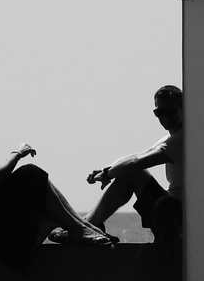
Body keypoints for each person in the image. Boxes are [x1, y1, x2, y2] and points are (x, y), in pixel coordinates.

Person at [0, 84, 113, 270]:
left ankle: (82, 225)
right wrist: (16, 154)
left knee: (38, 180)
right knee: (30, 173)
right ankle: (77, 229)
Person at [58, 85, 184, 243]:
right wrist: (107, 170)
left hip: (180, 219)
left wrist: (107, 174)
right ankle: (87, 224)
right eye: (159, 112)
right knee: (130, 171)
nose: (165, 116)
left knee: (134, 173)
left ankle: (86, 226)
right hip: (172, 212)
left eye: (170, 111)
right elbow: (135, 157)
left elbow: (135, 163)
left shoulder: (184, 139)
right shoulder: (169, 140)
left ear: (184, 108)